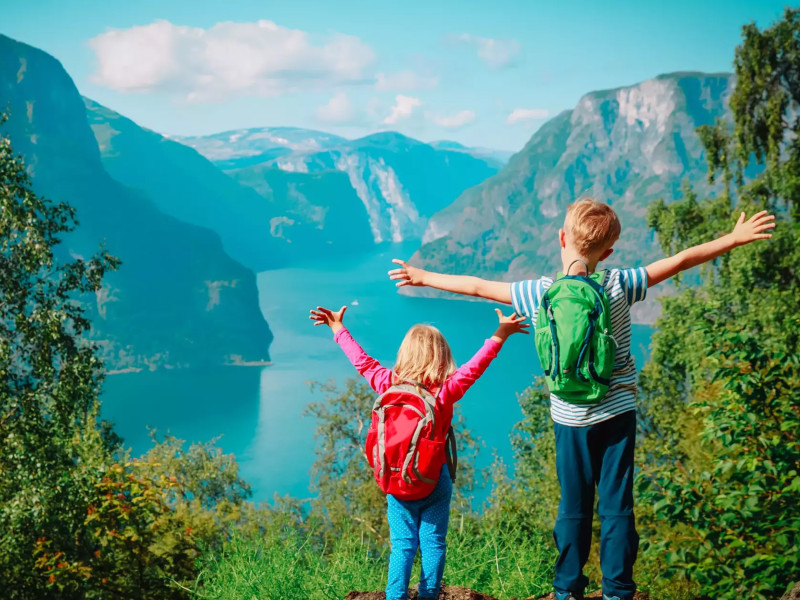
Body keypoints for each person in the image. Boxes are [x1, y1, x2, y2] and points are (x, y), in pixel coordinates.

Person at [387, 197, 775, 600]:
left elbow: (477, 287)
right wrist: (732, 238)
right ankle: (618, 590)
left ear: (561, 238)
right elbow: (678, 261)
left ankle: (567, 589)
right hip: (618, 414)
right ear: (608, 252)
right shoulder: (620, 283)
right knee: (616, 506)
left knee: (574, 507)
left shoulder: (539, 293)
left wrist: (422, 275)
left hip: (569, 419)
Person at [309, 304, 528, 600]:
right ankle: (428, 595)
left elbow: (361, 361)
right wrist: (501, 333)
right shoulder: (444, 393)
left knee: (402, 544)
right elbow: (475, 367)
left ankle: (395, 596)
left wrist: (337, 328)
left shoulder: (387, 384)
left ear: (404, 355)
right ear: (442, 357)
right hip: (433, 480)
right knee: (433, 542)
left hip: (395, 481)